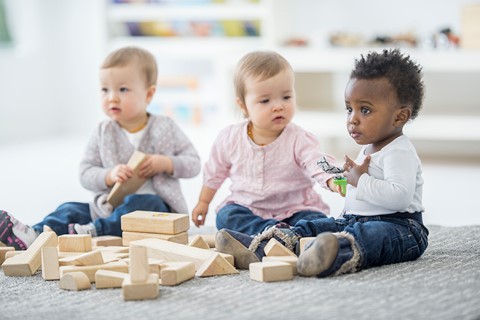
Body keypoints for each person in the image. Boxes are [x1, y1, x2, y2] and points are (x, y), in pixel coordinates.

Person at [215, 48, 429, 277]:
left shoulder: (399, 151)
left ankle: (333, 254)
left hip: (401, 228)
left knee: (371, 236)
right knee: (317, 227)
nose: (352, 119)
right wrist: (345, 178)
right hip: (355, 221)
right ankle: (266, 245)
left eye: (364, 110)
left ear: (399, 116)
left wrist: (360, 180)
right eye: (349, 109)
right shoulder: (370, 147)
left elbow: (400, 197)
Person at [0, 46, 201, 250]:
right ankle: (34, 234)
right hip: (107, 207)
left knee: (142, 203)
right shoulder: (102, 132)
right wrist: (108, 175)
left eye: (123, 89)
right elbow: (85, 173)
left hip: (157, 212)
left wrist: (167, 163)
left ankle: (93, 231)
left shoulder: (165, 126)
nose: (111, 97)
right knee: (69, 209)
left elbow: (194, 164)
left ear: (149, 94)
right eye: (105, 89)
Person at [191, 51, 341, 235]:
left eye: (286, 97)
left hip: (295, 208)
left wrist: (332, 179)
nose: (278, 106)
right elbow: (214, 172)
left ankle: (278, 237)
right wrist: (203, 202)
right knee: (225, 217)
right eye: (265, 100)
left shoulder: (299, 138)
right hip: (248, 208)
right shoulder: (230, 138)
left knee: (316, 221)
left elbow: (316, 161)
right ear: (243, 106)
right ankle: (275, 234)